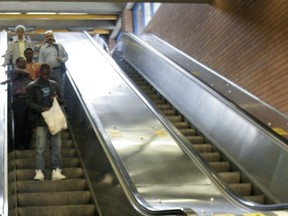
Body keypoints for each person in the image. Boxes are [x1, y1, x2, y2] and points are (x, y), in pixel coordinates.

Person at [26, 63, 66, 181]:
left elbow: (62, 100)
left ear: (49, 72)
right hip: (40, 120)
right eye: (43, 72)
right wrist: (41, 108)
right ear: (39, 72)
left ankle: (56, 170)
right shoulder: (32, 87)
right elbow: (29, 103)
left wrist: (57, 99)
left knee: (56, 146)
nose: (45, 74)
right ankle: (39, 171)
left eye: (47, 72)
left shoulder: (54, 85)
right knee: (40, 147)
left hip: (54, 119)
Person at [1, 57, 33, 150]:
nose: (23, 64)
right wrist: (27, 73)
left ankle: (26, 143)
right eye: (21, 62)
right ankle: (18, 144)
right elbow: (18, 71)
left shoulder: (27, 75)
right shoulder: (14, 72)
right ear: (17, 63)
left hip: (28, 100)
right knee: (19, 123)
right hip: (18, 100)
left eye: (24, 62)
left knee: (28, 123)